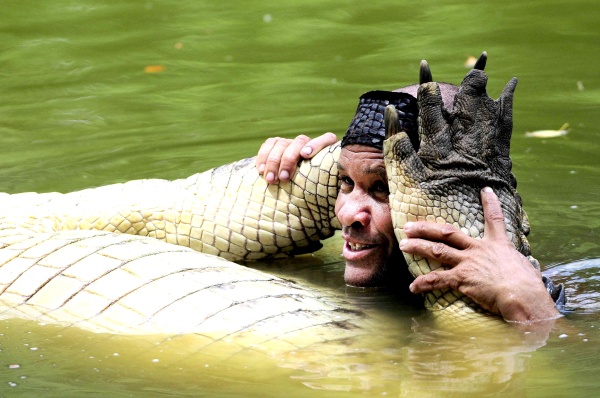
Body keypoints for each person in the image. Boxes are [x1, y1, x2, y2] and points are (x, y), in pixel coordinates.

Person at [255, 82, 563, 323]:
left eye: (382, 189)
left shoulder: (544, 293)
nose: (347, 215)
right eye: (346, 182)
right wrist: (283, 174)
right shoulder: (340, 257)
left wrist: (530, 304)